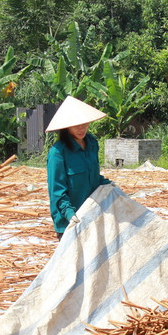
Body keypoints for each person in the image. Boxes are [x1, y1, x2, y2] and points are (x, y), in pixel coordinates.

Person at [46, 96, 111, 240]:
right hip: (69, 221)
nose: (82, 129)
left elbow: (93, 177)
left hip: (92, 214)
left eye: (84, 124)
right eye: (76, 125)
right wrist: (70, 214)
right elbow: (56, 191)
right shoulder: (58, 153)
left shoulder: (92, 143)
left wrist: (108, 185)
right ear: (67, 126)